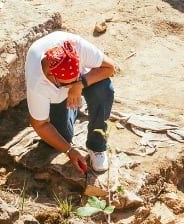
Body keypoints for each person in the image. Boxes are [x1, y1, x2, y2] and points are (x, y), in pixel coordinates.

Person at [25, 31, 116, 173]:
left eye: (74, 79)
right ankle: (73, 107)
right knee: (63, 138)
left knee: (104, 88)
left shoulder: (76, 46)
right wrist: (69, 150)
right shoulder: (37, 84)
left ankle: (97, 146)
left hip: (85, 82)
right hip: (54, 96)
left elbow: (110, 67)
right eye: (65, 84)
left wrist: (78, 85)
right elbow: (39, 124)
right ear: (51, 75)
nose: (70, 86)